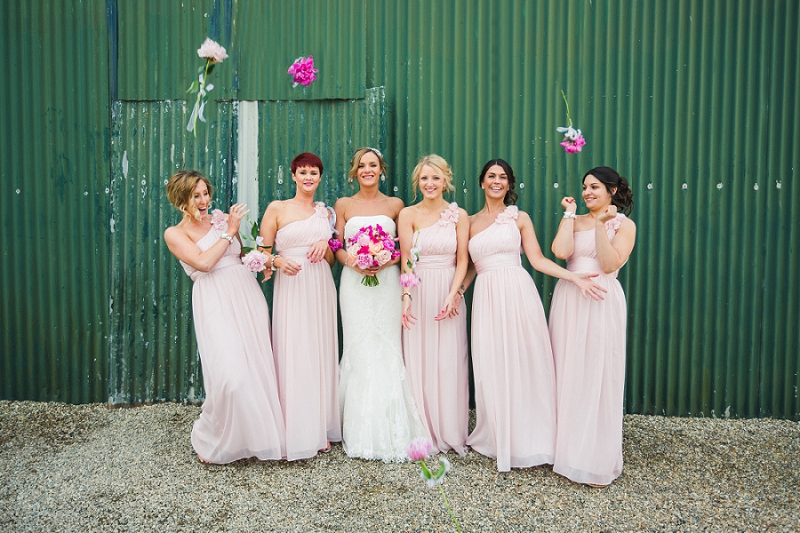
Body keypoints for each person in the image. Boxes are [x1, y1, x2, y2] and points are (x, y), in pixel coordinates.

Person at [461, 158, 606, 472]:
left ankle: (533, 440)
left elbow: (538, 260)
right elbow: (471, 264)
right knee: (492, 364)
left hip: (517, 292)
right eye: (491, 176)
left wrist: (574, 277)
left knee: (525, 363)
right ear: (482, 182)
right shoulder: (469, 222)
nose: (497, 181)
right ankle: (499, 437)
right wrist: (458, 292)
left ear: (509, 185)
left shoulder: (519, 218)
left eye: (503, 177)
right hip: (486, 298)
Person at [163, 169, 285, 464]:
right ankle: (214, 437)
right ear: (181, 198)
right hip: (214, 299)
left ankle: (257, 439)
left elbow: (240, 254)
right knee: (230, 376)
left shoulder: (219, 219)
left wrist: (264, 261)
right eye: (196, 195)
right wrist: (229, 230)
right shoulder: (175, 233)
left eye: (206, 193)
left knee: (256, 364)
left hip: (246, 294)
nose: (204, 200)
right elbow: (204, 263)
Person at [333, 147, 429, 462]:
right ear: (354, 171)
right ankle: (357, 428)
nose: (367, 170)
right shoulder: (343, 205)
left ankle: (393, 427)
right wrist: (355, 261)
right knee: (359, 346)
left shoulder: (396, 205)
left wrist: (385, 258)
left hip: (386, 283)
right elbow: (336, 245)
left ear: (381, 169)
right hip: (353, 283)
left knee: (387, 345)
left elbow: (404, 247)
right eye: (361, 166)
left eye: (373, 165)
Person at [549, 166, 636, 487]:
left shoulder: (625, 225)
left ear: (612, 191)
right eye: (585, 186)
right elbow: (560, 252)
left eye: (595, 187)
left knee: (597, 372)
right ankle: (563, 450)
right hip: (570, 297)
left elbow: (611, 263)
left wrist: (601, 226)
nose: (587, 192)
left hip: (602, 299)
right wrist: (570, 215)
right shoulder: (575, 219)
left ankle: (594, 456)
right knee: (565, 369)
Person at [259, 152, 340, 461]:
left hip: (320, 285)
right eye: (303, 172)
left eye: (314, 173)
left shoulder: (327, 213)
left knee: (319, 350)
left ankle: (319, 426)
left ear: (320, 178)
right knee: (295, 350)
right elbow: (261, 252)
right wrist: (277, 260)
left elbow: (332, 259)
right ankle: (296, 428)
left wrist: (326, 245)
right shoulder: (277, 209)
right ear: (293, 175)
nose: (308, 177)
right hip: (292, 286)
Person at [397, 155, 469, 456]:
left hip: (448, 290)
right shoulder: (407, 214)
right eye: (424, 178)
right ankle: (422, 431)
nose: (430, 184)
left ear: (446, 180)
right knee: (419, 359)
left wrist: (454, 294)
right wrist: (406, 298)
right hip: (420, 290)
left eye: (435, 178)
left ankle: (449, 430)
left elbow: (464, 259)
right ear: (418, 181)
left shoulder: (459, 215)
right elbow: (406, 260)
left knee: (449, 360)